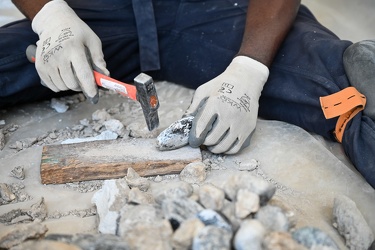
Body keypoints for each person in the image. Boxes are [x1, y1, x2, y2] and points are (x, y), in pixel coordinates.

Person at [1, 0, 374, 188]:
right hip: (91, 13)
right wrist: (50, 16)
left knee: (344, 83)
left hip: (214, 9)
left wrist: (249, 69)